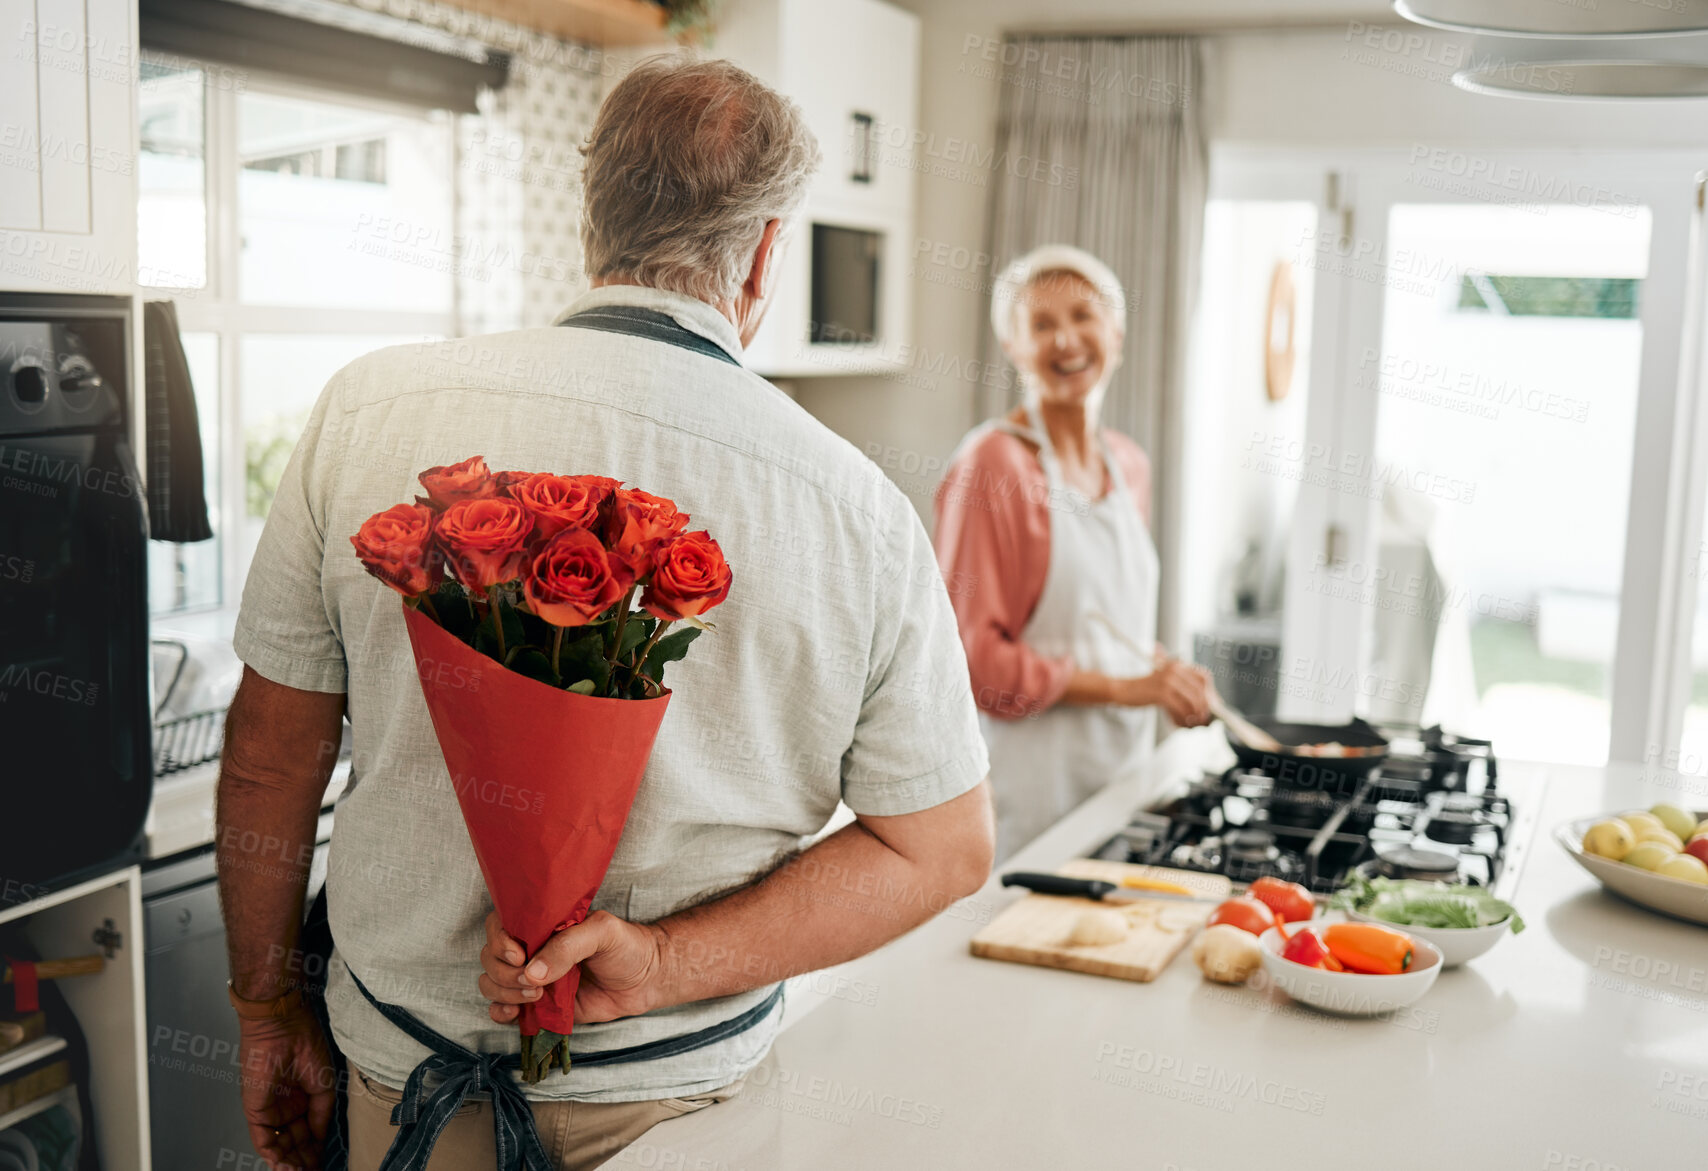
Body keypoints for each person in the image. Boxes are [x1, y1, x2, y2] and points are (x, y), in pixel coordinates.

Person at [218, 54, 995, 1171]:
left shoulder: (368, 409)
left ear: (593, 212)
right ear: (768, 249)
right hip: (683, 1121)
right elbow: (942, 849)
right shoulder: (855, 505)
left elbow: (267, 759)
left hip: (401, 1090)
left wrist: (261, 1009)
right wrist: (664, 963)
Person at [934, 244, 1209, 862]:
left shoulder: (1128, 463)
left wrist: (1164, 673)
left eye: (1084, 315)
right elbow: (974, 662)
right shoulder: (992, 466)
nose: (1066, 340)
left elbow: (1102, 626)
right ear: (1013, 347)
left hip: (1123, 780)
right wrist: (1129, 689)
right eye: (1041, 324)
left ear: (1117, 329)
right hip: (1031, 794)